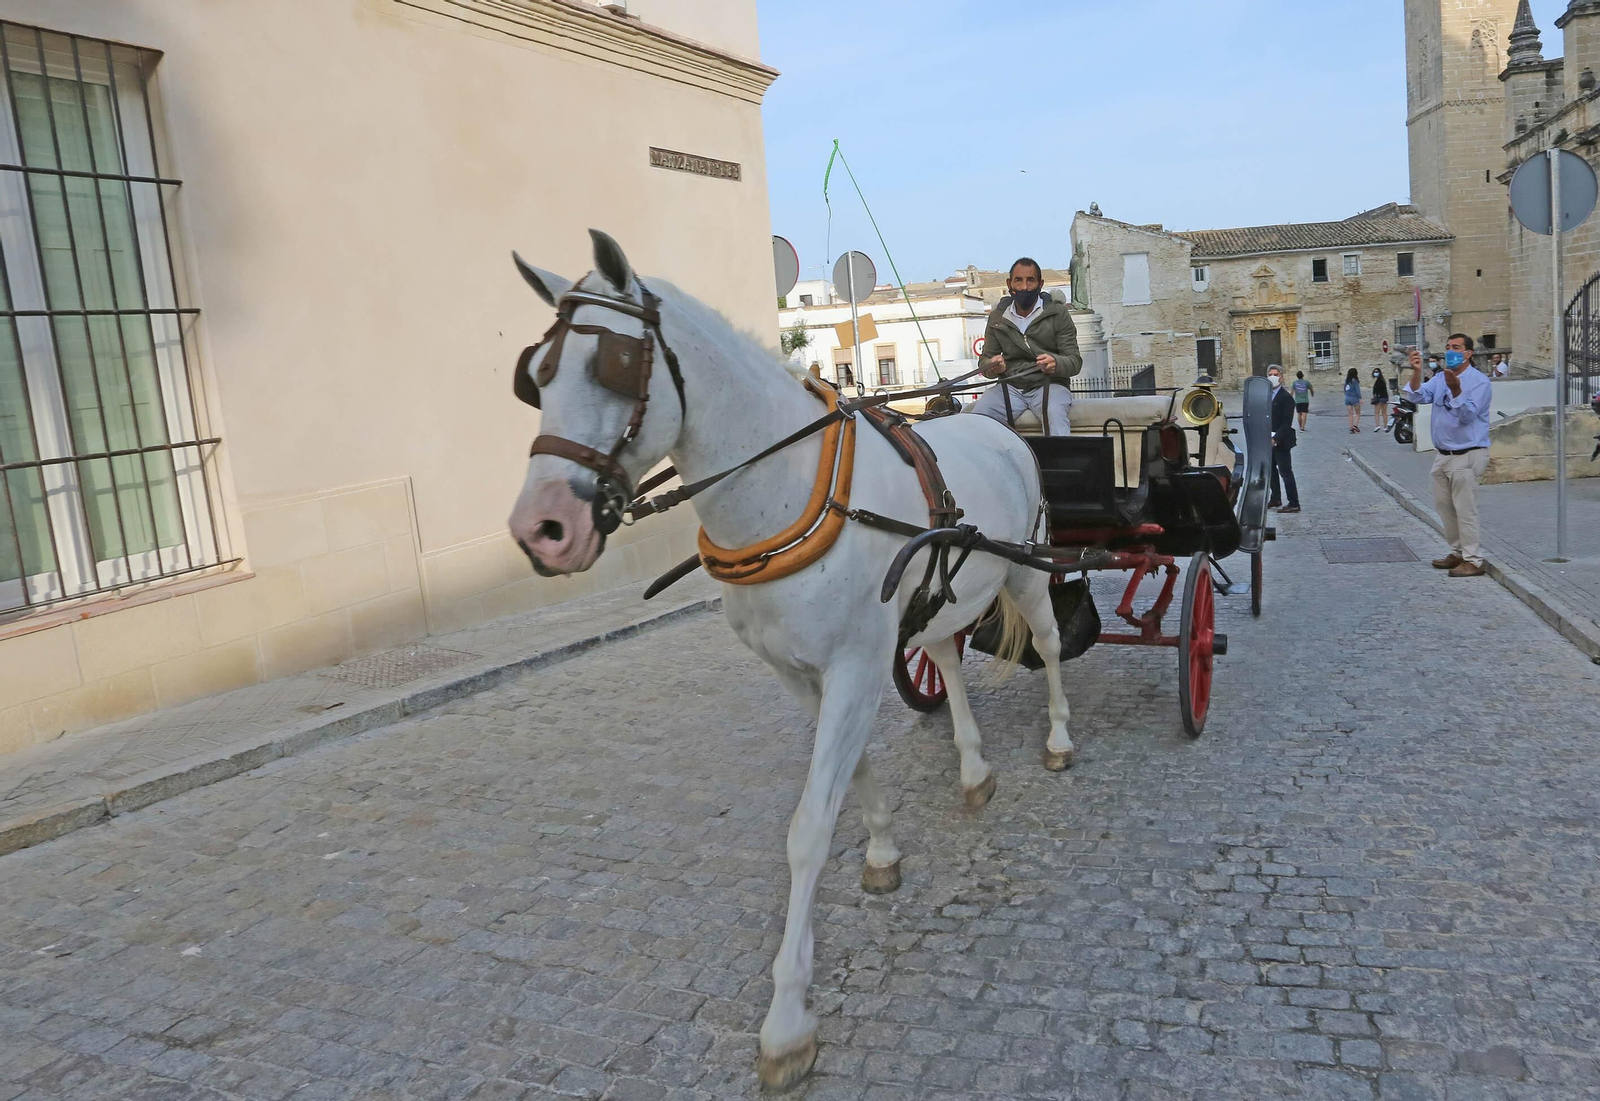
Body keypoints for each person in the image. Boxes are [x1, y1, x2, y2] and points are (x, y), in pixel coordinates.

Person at [1405, 333, 1492, 577]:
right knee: (1445, 506)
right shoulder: (1441, 377)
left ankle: (1474, 560)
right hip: (1443, 454)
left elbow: (1467, 416)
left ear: (1468, 353)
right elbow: (1417, 395)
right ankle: (1458, 552)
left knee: (1465, 509)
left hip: (1467, 453)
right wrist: (1416, 372)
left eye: (1456, 347)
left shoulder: (1480, 382)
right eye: (1447, 347)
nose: (1450, 351)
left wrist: (1456, 391)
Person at [967, 257, 1082, 434]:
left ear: (1040, 284)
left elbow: (1074, 361)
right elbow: (985, 362)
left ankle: (1059, 453)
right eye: (1018, 280)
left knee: (1055, 414)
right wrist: (993, 366)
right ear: (1009, 284)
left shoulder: (1058, 314)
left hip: (1050, 385)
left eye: (1030, 280)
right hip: (1010, 388)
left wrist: (1055, 364)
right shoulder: (997, 317)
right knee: (979, 418)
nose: (1024, 287)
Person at [1265, 365, 1301, 513]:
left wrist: (1276, 439)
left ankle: (1294, 502)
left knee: (1285, 472)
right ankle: (1275, 498)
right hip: (1267, 440)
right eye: (1270, 374)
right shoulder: (1266, 395)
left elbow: (1287, 423)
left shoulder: (1286, 398)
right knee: (1270, 470)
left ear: (1281, 377)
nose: (1273, 377)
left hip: (1281, 441)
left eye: (1276, 374)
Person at [1343, 368, 1363, 433]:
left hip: (1347, 398)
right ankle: (1355, 425)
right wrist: (1360, 398)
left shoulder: (1347, 380)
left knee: (1350, 414)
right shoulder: (1355, 381)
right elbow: (1357, 390)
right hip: (1354, 398)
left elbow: (1344, 389)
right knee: (1358, 413)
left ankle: (1351, 428)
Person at [1371, 367, 1390, 432]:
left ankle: (1377, 425)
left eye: (1376, 372)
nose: (1375, 373)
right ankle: (1385, 426)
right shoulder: (1382, 380)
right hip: (1384, 397)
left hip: (1379, 398)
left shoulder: (1378, 381)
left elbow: (1376, 391)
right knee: (1384, 412)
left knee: (1377, 412)